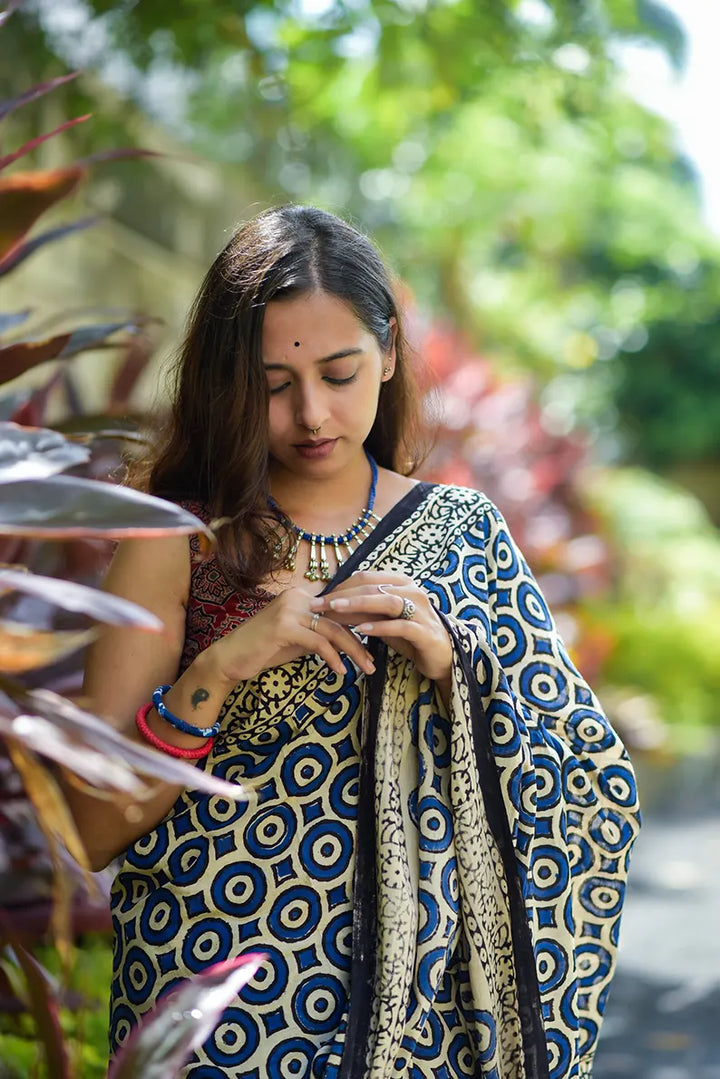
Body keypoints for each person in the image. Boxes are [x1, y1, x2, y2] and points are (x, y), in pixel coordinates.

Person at [66, 205, 640, 1079]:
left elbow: (591, 781)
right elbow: (90, 827)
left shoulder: (463, 533)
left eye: (341, 373)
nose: (312, 413)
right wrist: (224, 665)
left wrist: (458, 667)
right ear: (225, 381)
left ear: (390, 355)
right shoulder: (178, 537)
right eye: (271, 385)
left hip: (424, 1023)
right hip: (211, 1011)